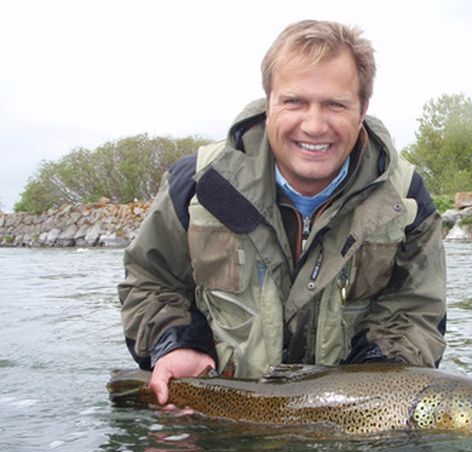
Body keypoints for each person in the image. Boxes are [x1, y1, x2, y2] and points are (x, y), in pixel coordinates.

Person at [118, 20, 446, 404]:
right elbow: (149, 282)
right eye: (294, 101)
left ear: (363, 110)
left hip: (343, 430)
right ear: (268, 101)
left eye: (335, 104)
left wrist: (382, 392)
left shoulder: (404, 199)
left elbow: (414, 315)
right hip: (215, 423)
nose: (313, 124)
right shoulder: (200, 183)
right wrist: (176, 345)